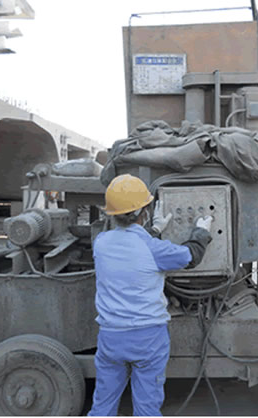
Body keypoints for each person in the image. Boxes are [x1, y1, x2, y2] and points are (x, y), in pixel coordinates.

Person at [88, 174, 213, 416]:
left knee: (103, 404)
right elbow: (191, 256)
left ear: (111, 213)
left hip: (111, 336)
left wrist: (155, 229)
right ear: (144, 212)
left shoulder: (101, 243)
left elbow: (132, 248)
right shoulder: (154, 249)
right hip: (147, 337)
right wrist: (201, 231)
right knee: (146, 406)